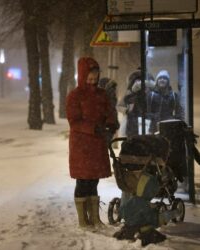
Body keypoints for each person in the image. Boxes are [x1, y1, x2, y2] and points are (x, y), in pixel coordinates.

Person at [66, 57, 119, 229]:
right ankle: (83, 220)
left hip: (97, 144)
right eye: (89, 77)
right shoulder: (75, 96)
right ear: (82, 75)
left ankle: (95, 218)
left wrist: (111, 124)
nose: (93, 80)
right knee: (83, 181)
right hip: (81, 146)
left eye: (95, 77)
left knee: (94, 180)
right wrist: (94, 128)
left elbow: (109, 112)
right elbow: (74, 121)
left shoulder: (101, 94)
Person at [147, 70, 184, 134]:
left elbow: (179, 112)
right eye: (160, 78)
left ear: (168, 81)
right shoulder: (151, 95)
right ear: (157, 81)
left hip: (169, 128)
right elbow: (146, 111)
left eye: (164, 78)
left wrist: (173, 120)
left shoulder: (173, 95)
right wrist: (153, 117)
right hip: (153, 128)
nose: (162, 80)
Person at [122, 70, 155, 137]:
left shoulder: (151, 95)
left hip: (144, 123)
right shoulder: (131, 96)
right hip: (134, 125)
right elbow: (124, 107)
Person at [98, 77, 120, 143]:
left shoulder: (105, 96)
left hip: (107, 125)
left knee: (102, 145)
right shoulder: (110, 94)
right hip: (110, 124)